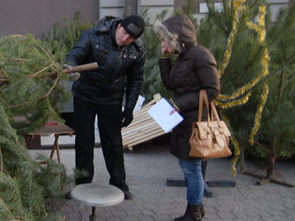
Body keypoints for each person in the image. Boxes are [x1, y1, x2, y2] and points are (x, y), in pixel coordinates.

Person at [64, 15, 145, 200]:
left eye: (130, 38)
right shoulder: (93, 35)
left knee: (113, 142)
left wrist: (130, 108)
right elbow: (75, 55)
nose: (125, 39)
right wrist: (72, 67)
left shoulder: (137, 50)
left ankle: (119, 184)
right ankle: (82, 185)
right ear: (118, 26)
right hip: (85, 96)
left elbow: (136, 79)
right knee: (84, 141)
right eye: (124, 33)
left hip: (111, 100)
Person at [154, 14, 220, 221]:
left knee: (192, 168)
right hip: (185, 119)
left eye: (165, 40)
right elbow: (170, 84)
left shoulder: (201, 55)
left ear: (176, 38)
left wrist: (179, 105)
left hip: (197, 121)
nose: (163, 44)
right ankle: (197, 209)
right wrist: (165, 57)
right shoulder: (183, 57)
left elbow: (212, 90)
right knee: (189, 166)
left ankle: (193, 213)